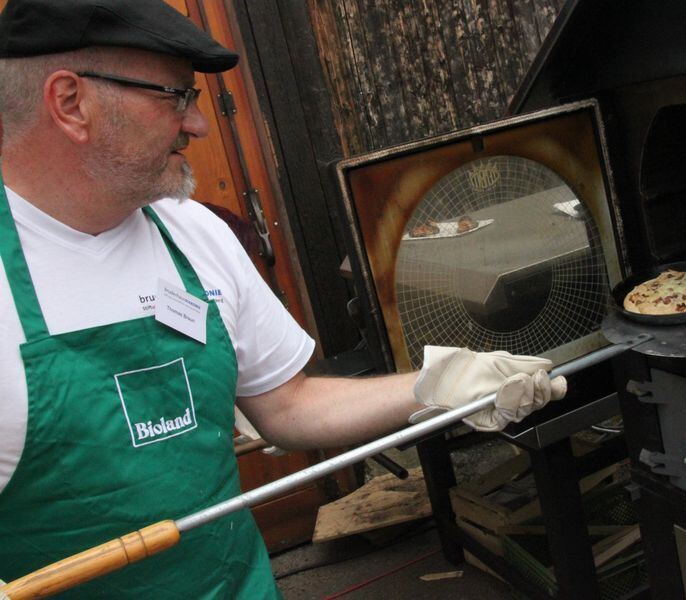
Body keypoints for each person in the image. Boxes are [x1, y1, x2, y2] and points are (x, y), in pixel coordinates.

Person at [0, 1, 566, 597]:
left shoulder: (194, 232)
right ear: (71, 102)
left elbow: (288, 406)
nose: (197, 124)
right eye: (176, 96)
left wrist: (440, 387)